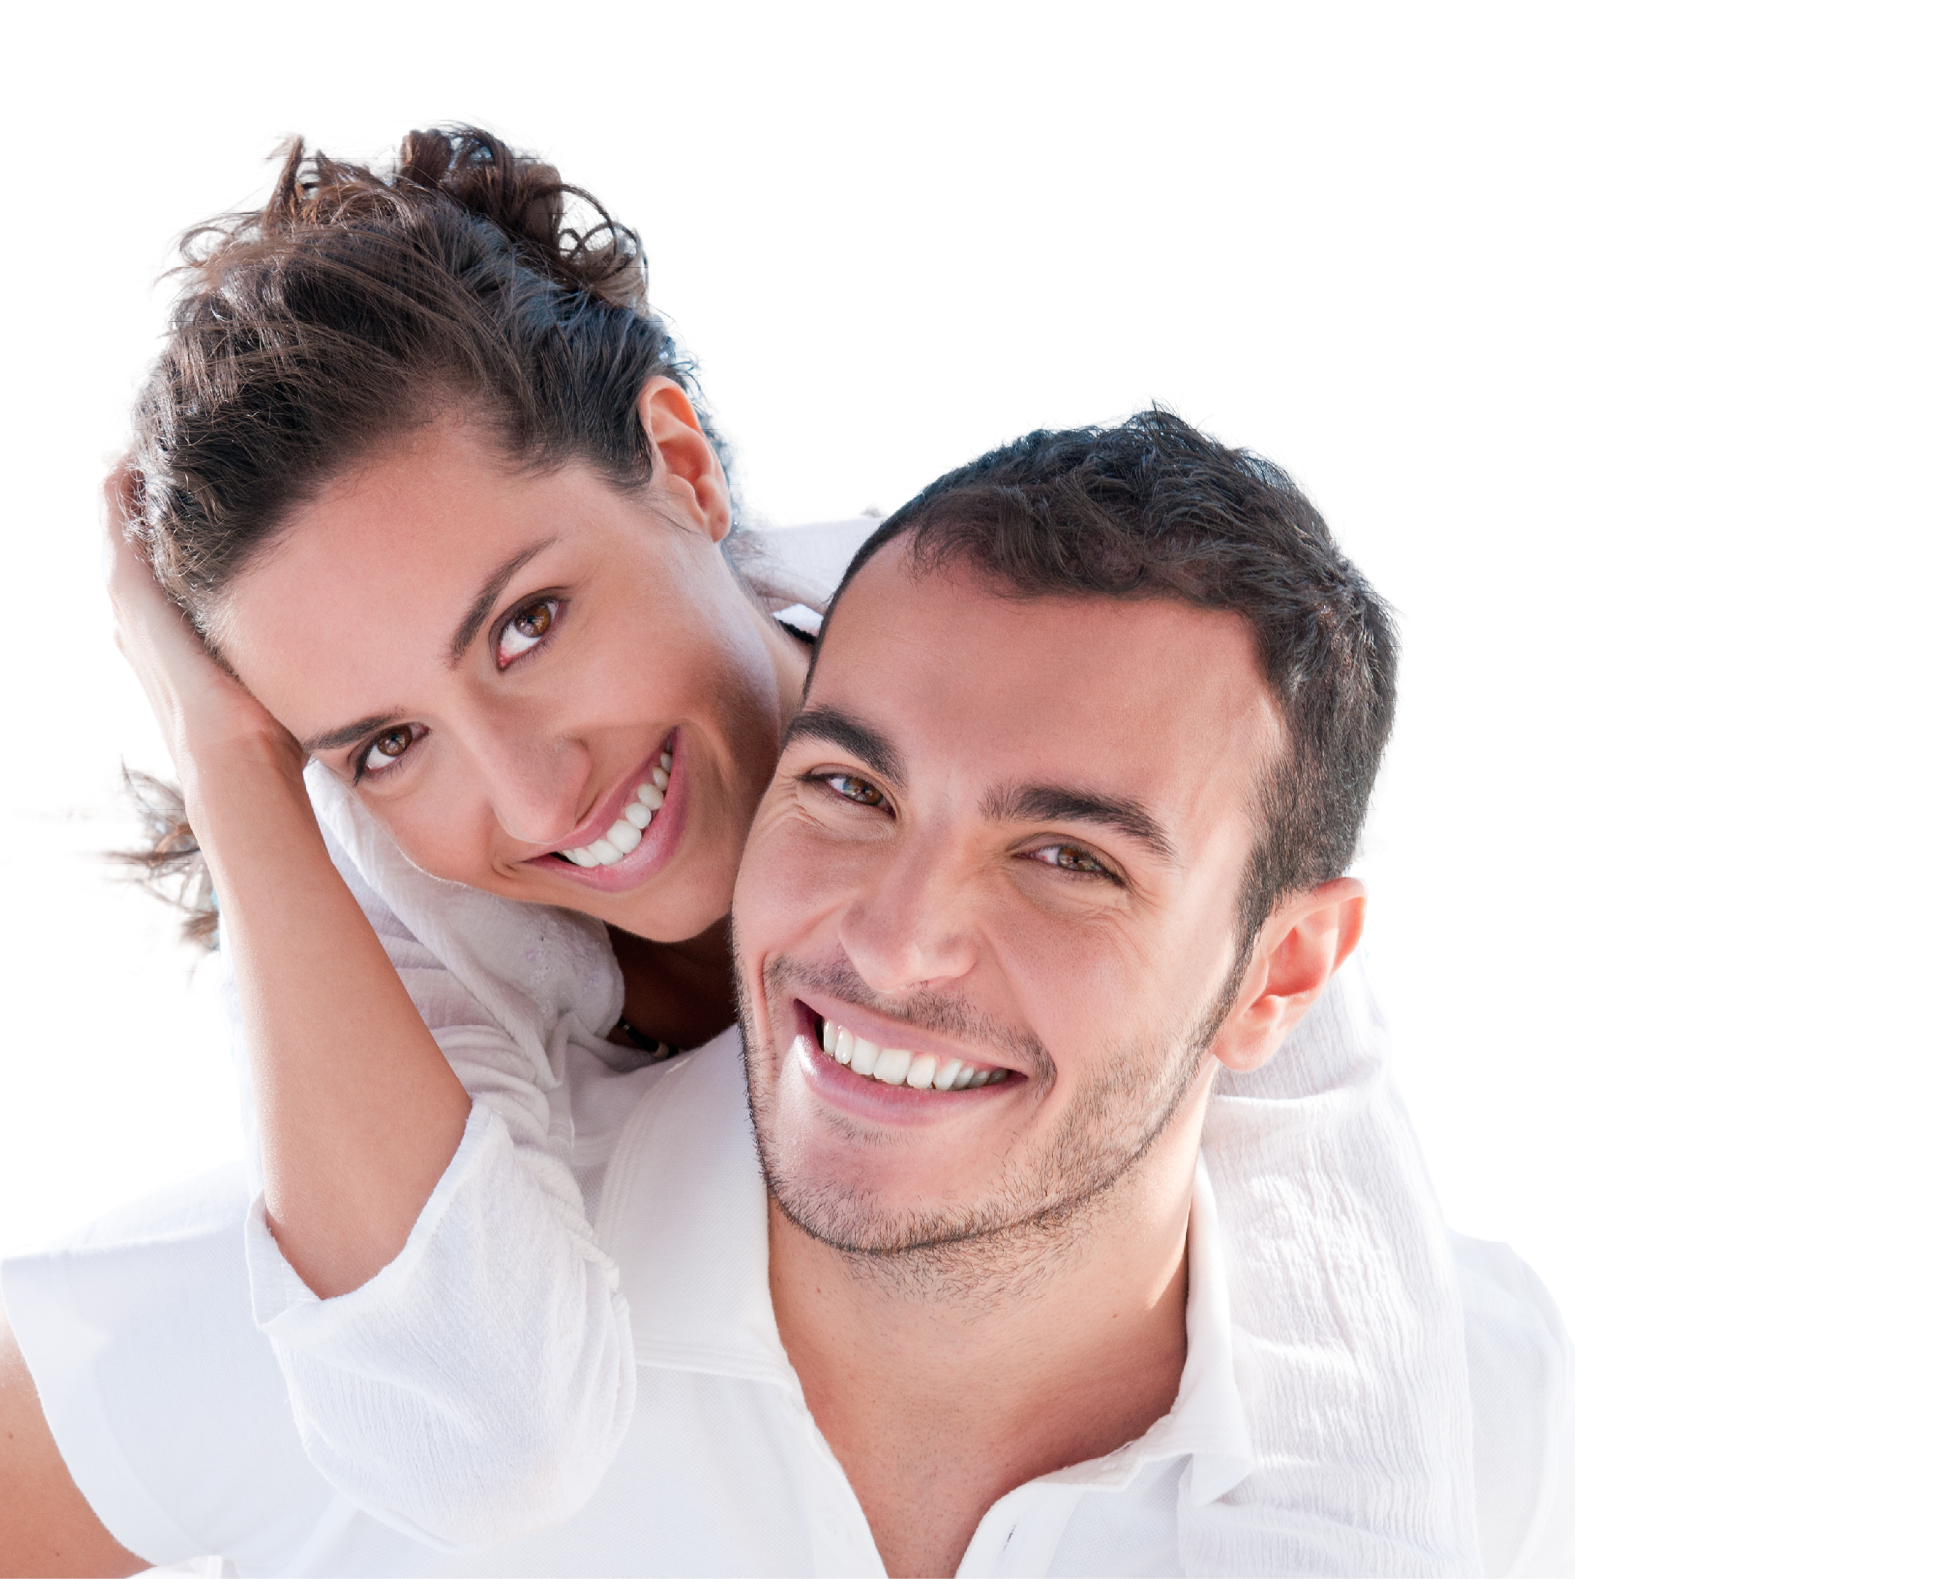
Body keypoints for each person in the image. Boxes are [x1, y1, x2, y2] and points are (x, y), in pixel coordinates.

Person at [0, 120, 1500, 1569]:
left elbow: (1315, 1180)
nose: (530, 800)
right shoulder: (384, 894)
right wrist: (231, 762)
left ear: (684, 468)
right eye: (385, 741)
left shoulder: (1011, 669)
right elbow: (483, 1441)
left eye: (531, 625)